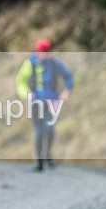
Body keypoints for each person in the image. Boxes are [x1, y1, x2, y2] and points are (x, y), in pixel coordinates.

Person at [15, 39, 74, 172]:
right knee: (39, 131)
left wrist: (66, 92)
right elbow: (21, 82)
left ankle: (48, 154)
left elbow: (69, 76)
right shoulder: (29, 64)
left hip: (52, 102)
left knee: (50, 128)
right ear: (37, 51)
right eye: (42, 52)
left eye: (46, 52)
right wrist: (27, 94)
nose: (44, 54)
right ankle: (39, 160)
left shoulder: (54, 64)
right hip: (35, 103)